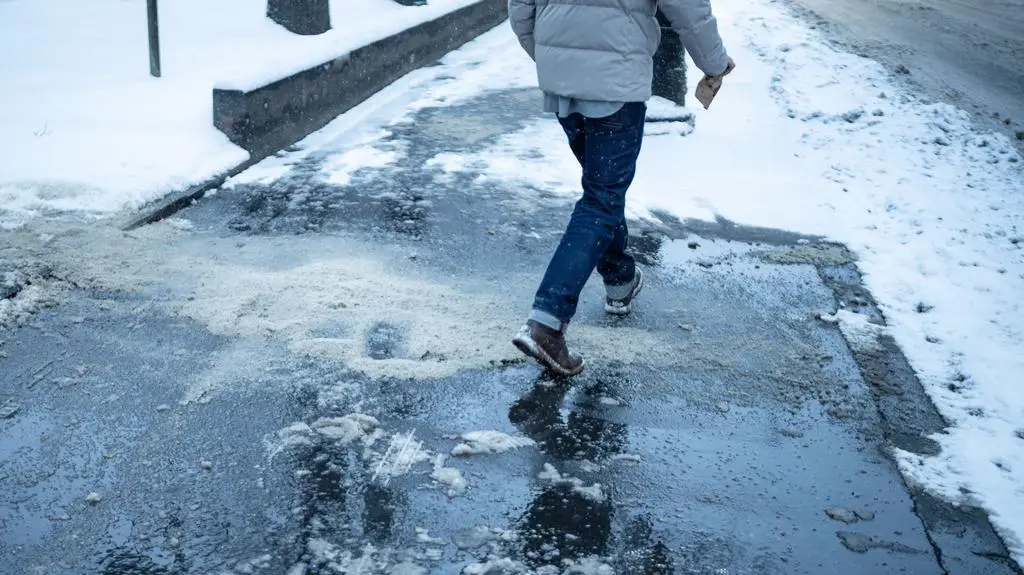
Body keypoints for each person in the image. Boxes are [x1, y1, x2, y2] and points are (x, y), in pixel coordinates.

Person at [509, 0, 735, 376]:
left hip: (562, 79)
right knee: (601, 200)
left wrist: (552, 55)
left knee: (602, 195)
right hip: (616, 80)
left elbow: (521, 6)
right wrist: (714, 64)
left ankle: (619, 279)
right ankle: (547, 321)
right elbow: (688, 6)